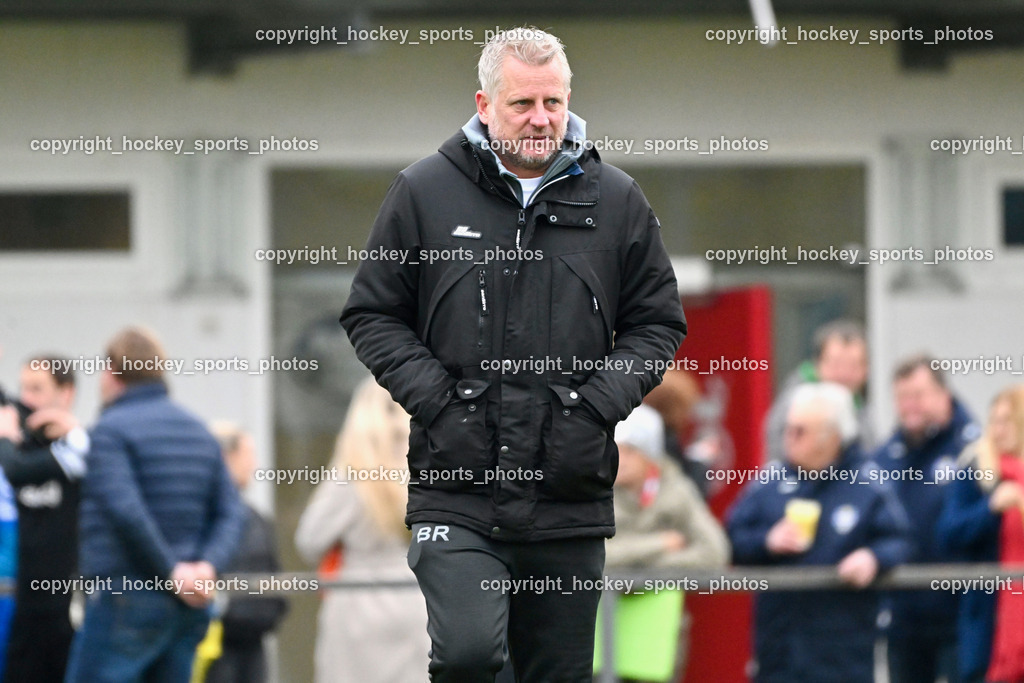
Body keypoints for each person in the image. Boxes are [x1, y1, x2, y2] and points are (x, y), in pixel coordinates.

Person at [338, 26, 686, 682]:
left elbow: (657, 324)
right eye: (523, 104)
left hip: (569, 489)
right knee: (469, 653)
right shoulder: (422, 193)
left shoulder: (616, 200)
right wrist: (440, 402)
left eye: (553, 102)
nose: (541, 119)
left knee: (557, 672)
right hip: (458, 483)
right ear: (484, 104)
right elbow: (372, 313)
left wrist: (596, 406)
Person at [64, 327, 246, 682]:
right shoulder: (199, 432)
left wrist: (171, 572)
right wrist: (206, 567)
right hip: (188, 605)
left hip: (126, 597)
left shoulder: (109, 432)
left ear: (113, 374)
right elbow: (231, 511)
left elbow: (125, 511)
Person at [728, 382, 911, 683]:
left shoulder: (867, 483)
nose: (789, 439)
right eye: (788, 429)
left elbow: (900, 540)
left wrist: (872, 557)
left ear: (832, 437)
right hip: (778, 651)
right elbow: (731, 539)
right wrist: (767, 541)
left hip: (843, 652)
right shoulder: (770, 482)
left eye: (800, 431)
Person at [295, 378, 430, 683]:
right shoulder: (426, 471)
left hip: (358, 602)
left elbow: (309, 540)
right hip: (416, 598)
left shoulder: (351, 478)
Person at [601, 403, 729, 683]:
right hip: (597, 638)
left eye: (629, 450)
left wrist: (644, 572)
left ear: (650, 456)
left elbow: (714, 552)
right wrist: (659, 544)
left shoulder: (677, 489)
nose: (618, 458)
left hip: (656, 642)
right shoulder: (594, 490)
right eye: (614, 448)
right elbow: (592, 556)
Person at [874, 354, 980, 683]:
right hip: (903, 615)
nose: (910, 406)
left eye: (918, 395)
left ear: (943, 394)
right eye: (902, 397)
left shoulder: (974, 450)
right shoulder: (884, 456)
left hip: (960, 615)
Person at [0, 356, 88, 683]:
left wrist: (6, 437)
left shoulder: (81, 449)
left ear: (66, 394)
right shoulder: (22, 448)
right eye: (23, 388)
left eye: (37, 389)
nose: (27, 398)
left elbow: (16, 469)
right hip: (23, 610)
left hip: (68, 609)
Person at [937, 386, 1024, 683]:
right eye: (994, 421)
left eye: (1007, 421)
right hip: (988, 623)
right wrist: (991, 508)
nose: (998, 430)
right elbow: (948, 534)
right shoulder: (976, 469)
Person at [204, 422, 288, 683]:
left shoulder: (256, 519)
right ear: (226, 457)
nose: (253, 464)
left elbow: (275, 576)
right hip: (214, 648)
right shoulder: (203, 519)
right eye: (247, 454)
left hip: (254, 647)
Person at [763, 320, 872, 463]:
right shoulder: (795, 403)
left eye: (854, 365)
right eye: (837, 364)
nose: (844, 374)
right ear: (818, 364)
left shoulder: (861, 407)